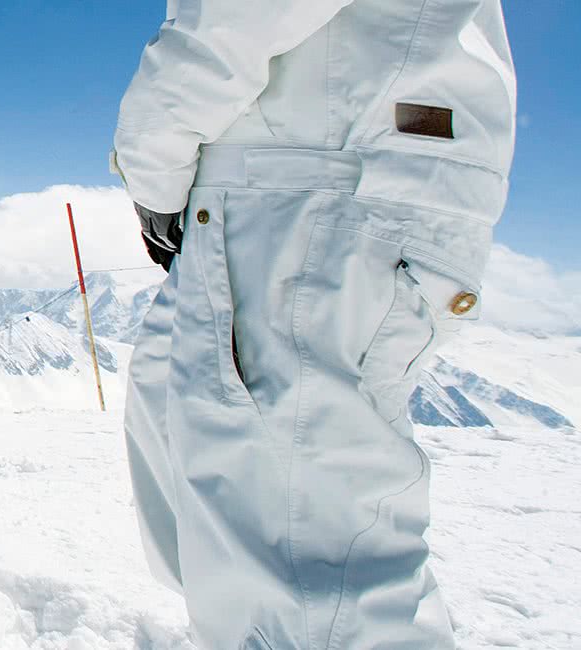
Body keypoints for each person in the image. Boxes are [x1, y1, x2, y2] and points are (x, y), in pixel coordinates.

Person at [111, 0, 514, 647]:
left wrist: (152, 164)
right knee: (194, 472)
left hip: (317, 185)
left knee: (307, 559)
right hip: (339, 170)